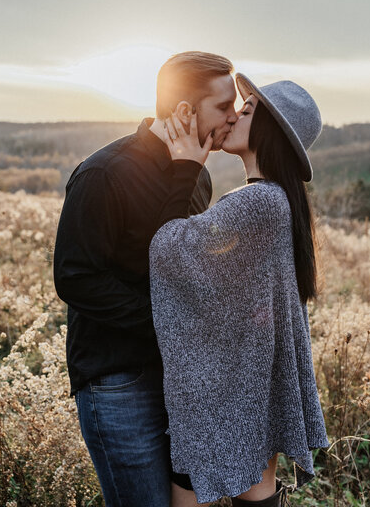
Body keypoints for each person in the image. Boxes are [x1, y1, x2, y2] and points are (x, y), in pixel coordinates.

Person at [53, 51, 238, 507]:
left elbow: (175, 263)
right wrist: (166, 321)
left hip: (174, 377)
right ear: (183, 112)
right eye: (223, 107)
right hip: (118, 382)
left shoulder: (196, 177)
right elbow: (74, 277)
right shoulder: (104, 173)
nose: (233, 117)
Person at [149, 73, 330, 507]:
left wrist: (185, 169)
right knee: (257, 494)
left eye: (246, 111)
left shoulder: (258, 203)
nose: (233, 117)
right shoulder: (275, 200)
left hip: (239, 390)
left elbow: (169, 250)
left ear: (270, 131)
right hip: (253, 386)